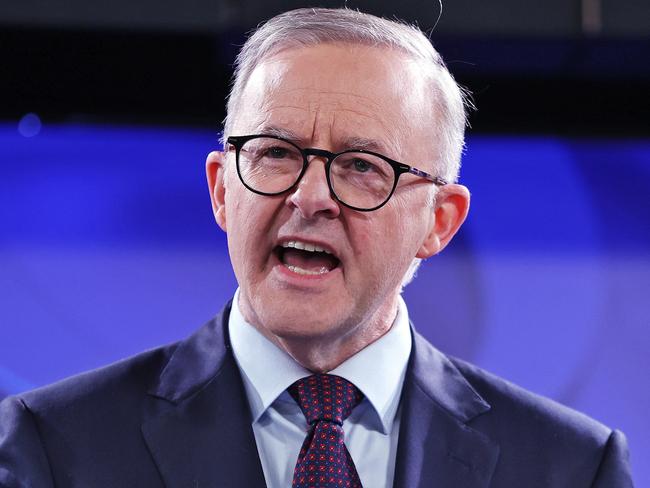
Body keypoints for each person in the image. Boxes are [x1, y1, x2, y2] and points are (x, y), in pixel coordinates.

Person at [0, 7, 633, 488]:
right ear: (222, 190)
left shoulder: (572, 466)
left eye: (361, 166)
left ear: (439, 220)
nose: (310, 196)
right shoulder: (55, 446)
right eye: (275, 153)